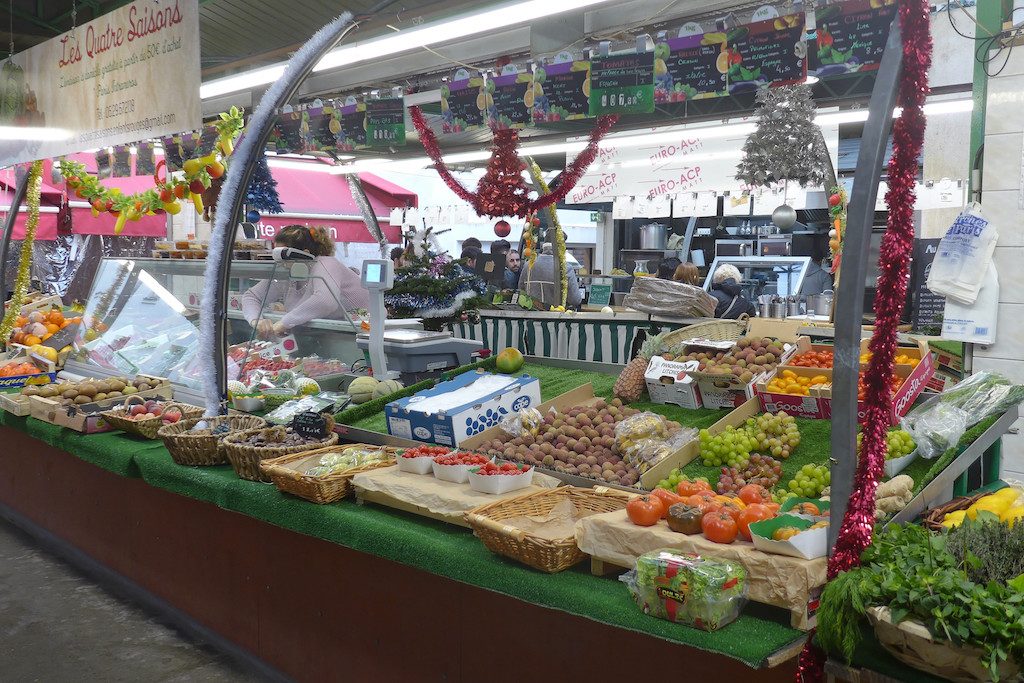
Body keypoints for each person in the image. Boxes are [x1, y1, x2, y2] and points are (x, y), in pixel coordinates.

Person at [242, 225, 370, 339]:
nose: (281, 264)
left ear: (304, 254)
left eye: (284, 256)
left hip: (358, 336)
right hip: (319, 338)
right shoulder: (287, 270)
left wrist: (284, 323)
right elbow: (252, 296)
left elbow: (326, 301)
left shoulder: (326, 263)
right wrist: (256, 321)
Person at [519, 244, 584, 307]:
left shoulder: (527, 265)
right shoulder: (565, 267)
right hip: (556, 315)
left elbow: (521, 290)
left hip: (530, 314)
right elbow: (575, 300)